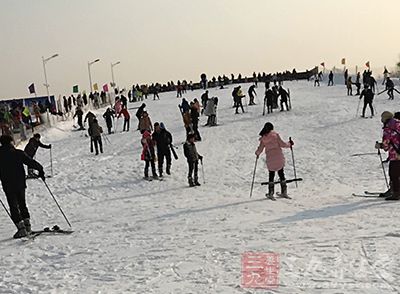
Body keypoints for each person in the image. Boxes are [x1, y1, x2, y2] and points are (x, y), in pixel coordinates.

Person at [0, 135, 45, 238]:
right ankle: (27, 226)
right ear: (11, 142)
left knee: (13, 206)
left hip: (8, 184)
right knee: (22, 204)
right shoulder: (17, 153)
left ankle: (21, 229)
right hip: (20, 183)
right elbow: (30, 162)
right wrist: (40, 169)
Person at [255, 122, 293, 199]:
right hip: (279, 157)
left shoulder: (263, 139)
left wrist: (257, 153)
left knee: (271, 175)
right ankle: (284, 191)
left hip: (270, 159)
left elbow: (260, 149)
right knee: (281, 173)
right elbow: (283, 144)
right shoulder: (276, 135)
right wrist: (289, 144)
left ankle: (271, 192)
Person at [375, 112, 400, 200]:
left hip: (396, 154)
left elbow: (386, 144)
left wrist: (380, 146)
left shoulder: (388, 128)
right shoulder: (398, 124)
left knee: (393, 174)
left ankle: (396, 193)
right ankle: (395, 191)